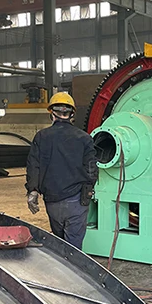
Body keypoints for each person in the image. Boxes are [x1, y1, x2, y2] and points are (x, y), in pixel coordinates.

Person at [25, 91, 97, 250]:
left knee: (59, 243)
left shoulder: (41, 137)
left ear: (51, 114)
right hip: (77, 201)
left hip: (52, 201)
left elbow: (33, 166)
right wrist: (89, 188)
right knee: (74, 247)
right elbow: (92, 170)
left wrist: (33, 191)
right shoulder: (84, 138)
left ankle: (62, 264)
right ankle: (73, 265)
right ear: (72, 115)